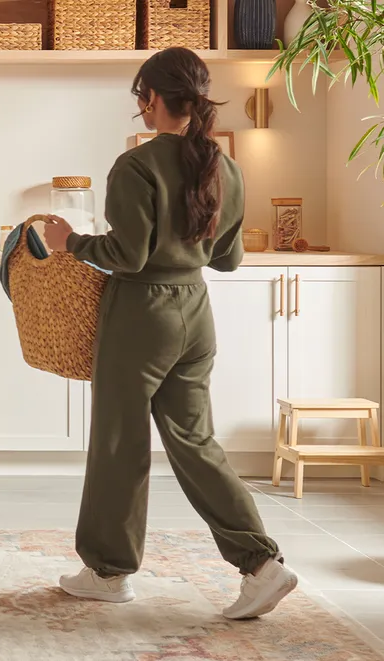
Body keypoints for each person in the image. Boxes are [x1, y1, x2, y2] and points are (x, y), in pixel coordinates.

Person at [40, 47, 298, 620]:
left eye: (142, 96)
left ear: (152, 98)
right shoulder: (227, 168)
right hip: (196, 315)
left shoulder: (135, 166)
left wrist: (70, 242)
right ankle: (261, 564)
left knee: (120, 442)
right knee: (196, 442)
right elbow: (228, 259)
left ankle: (108, 572)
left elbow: (126, 256)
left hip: (141, 315)